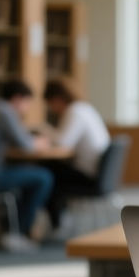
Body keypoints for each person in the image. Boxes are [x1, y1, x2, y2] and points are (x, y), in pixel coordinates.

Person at [0, 80, 53, 253]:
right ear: (18, 98)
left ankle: (5, 226)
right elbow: (26, 144)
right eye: (27, 102)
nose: (26, 108)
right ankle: (19, 232)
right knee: (43, 178)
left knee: (29, 175)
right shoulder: (3, 111)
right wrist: (41, 142)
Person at [41, 79, 112, 227]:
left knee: (45, 172)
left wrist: (45, 132)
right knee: (50, 169)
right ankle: (57, 217)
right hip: (101, 174)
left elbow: (63, 142)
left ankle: (56, 221)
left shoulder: (74, 111)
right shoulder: (85, 108)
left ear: (58, 99)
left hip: (87, 174)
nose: (52, 109)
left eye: (51, 104)